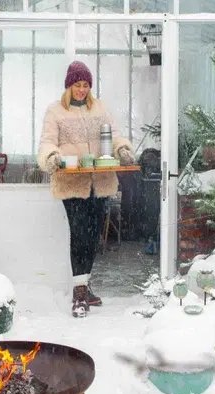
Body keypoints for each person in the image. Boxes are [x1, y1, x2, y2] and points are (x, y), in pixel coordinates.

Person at [38, 61, 135, 318]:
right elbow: (47, 142)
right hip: (72, 183)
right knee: (80, 232)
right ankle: (79, 293)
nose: (82, 90)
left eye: (85, 85)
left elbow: (114, 135)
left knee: (93, 237)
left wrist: (123, 149)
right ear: (69, 86)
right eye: (77, 85)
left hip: (100, 182)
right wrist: (52, 157)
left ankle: (85, 283)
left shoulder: (100, 108)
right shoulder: (56, 111)